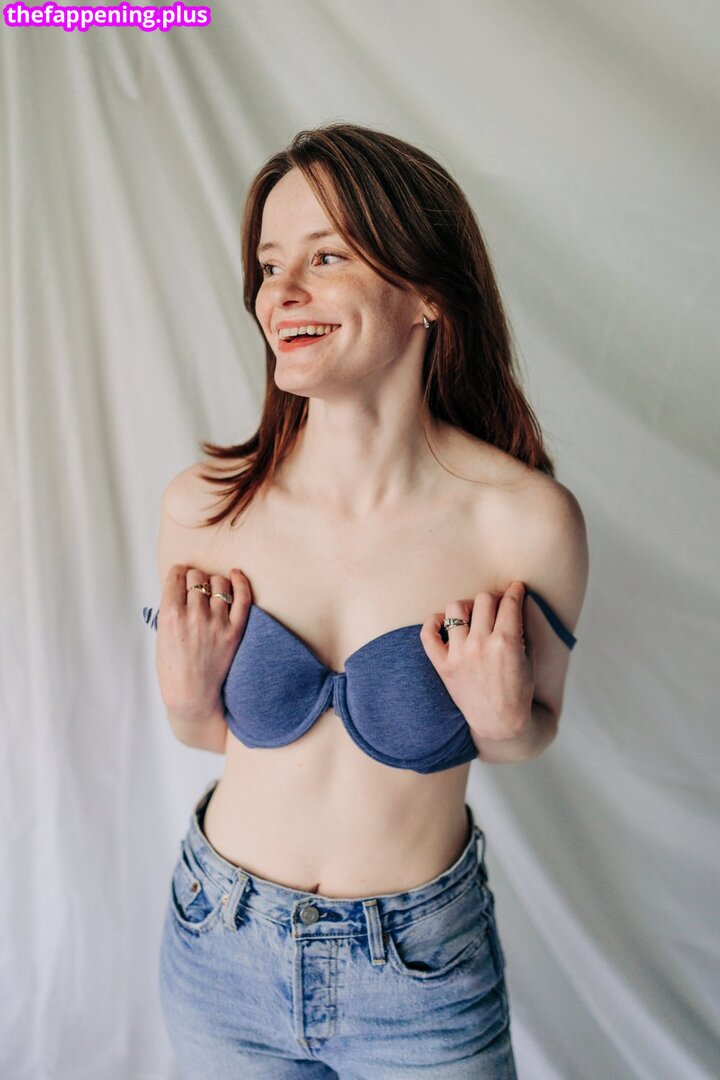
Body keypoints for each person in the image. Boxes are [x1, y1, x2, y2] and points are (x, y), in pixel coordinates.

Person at [143, 122, 588, 1078]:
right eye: (269, 265)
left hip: (421, 975)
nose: (280, 293)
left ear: (428, 293)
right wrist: (183, 700)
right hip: (220, 946)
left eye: (326, 257)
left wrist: (503, 717)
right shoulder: (206, 509)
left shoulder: (524, 524)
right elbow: (205, 735)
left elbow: (530, 735)